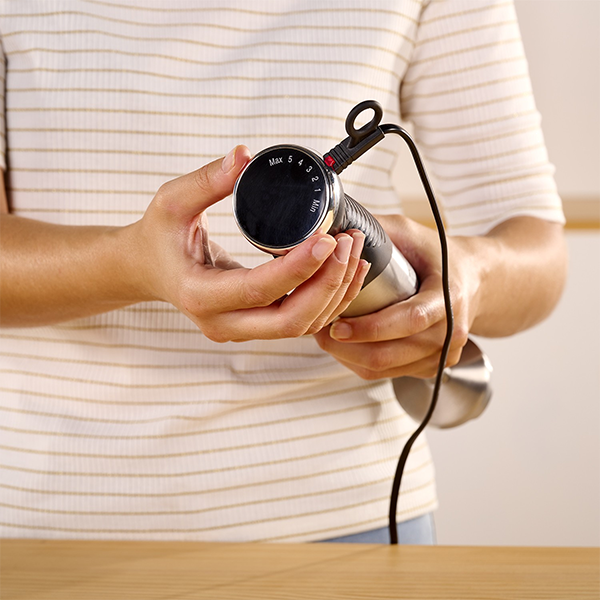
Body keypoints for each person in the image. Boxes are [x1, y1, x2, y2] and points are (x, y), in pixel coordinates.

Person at [0, 0, 567, 543]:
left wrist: (470, 277)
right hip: (52, 520)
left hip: (348, 512)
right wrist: (133, 266)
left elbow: (539, 255)